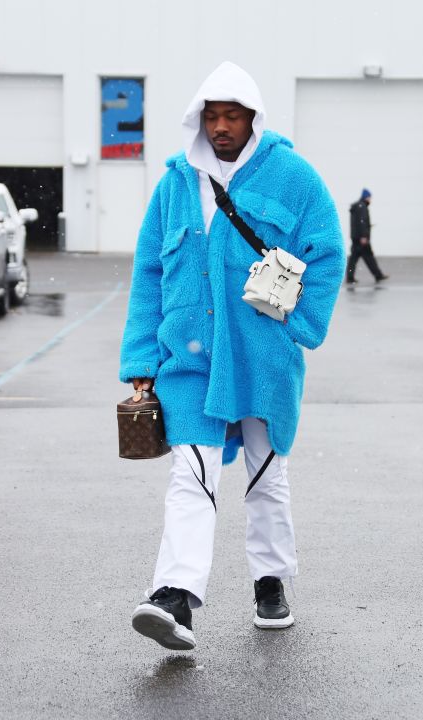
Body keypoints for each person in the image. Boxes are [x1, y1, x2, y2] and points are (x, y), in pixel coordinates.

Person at [119, 61, 344, 651]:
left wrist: (299, 324)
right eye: (212, 116)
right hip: (188, 360)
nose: (221, 127)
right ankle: (174, 598)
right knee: (190, 472)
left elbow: (326, 251)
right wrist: (141, 358)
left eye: (233, 116)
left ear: (253, 118)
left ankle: (270, 581)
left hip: (261, 357)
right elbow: (148, 275)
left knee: (266, 476)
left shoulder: (293, 178)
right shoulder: (174, 185)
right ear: (199, 118)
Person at [345, 188, 388, 283]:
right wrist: (364, 236)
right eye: (369, 197)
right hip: (361, 238)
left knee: (354, 259)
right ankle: (378, 275)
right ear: (366, 197)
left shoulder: (357, 206)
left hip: (356, 237)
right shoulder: (362, 207)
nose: (370, 199)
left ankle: (350, 277)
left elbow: (357, 223)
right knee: (368, 257)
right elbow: (362, 222)